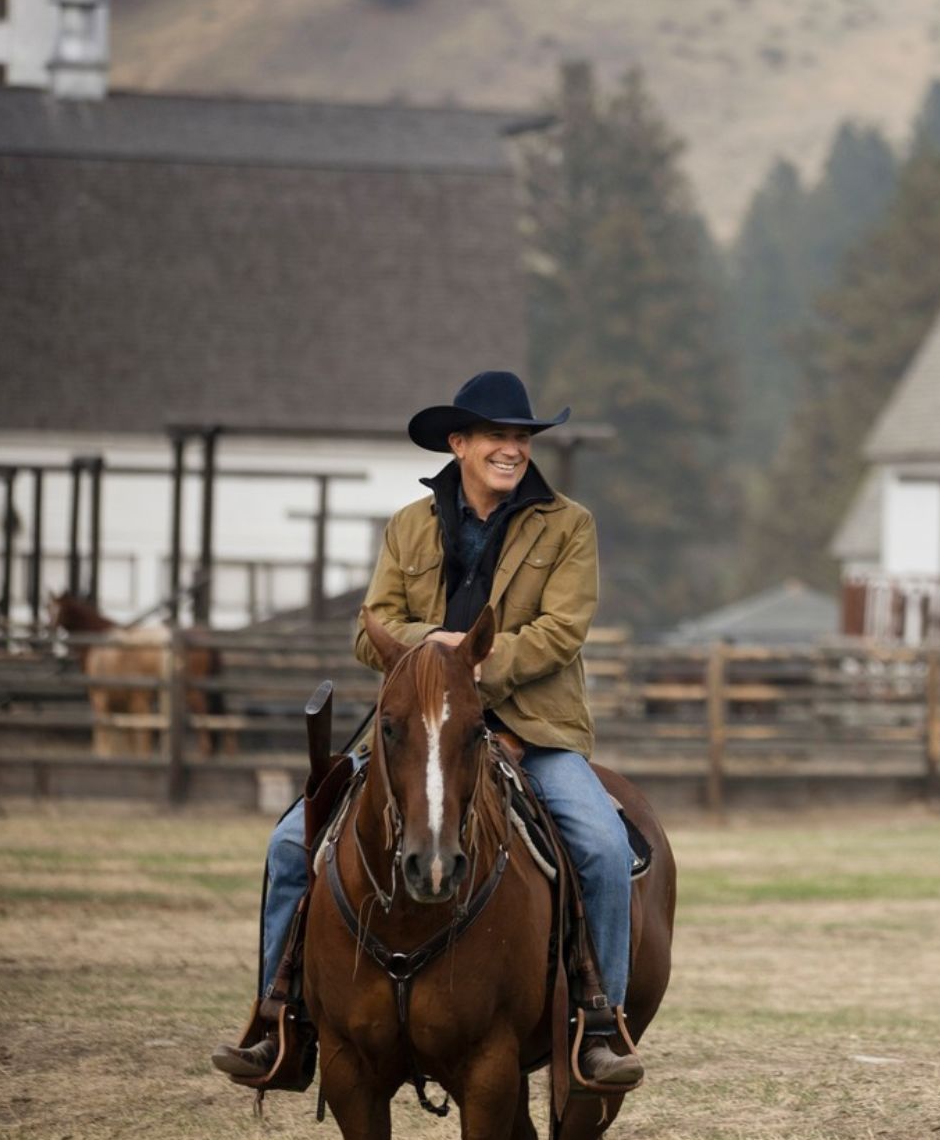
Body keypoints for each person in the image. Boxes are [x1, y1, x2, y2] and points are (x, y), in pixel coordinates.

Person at [213, 370, 641, 1087]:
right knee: (290, 844)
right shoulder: (410, 524)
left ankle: (600, 1022)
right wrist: (436, 659)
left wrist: (471, 665)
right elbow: (370, 625)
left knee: (601, 847)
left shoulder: (569, 524)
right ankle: (279, 1020)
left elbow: (561, 630)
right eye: (497, 437)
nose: (512, 449)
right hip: (415, 729)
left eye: (521, 439)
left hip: (531, 726)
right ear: (459, 442)